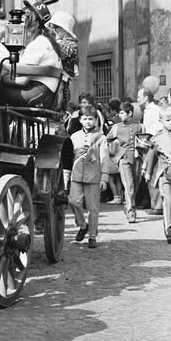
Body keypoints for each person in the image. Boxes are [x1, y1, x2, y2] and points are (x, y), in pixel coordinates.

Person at [0, 3, 63, 108]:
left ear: (34, 24)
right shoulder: (47, 41)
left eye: (25, 19)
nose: (21, 25)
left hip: (36, 94)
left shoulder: (38, 44)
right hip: (44, 95)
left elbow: (22, 80)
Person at [68, 104, 110, 248]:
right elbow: (69, 157)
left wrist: (104, 177)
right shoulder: (74, 137)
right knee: (73, 201)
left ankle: (92, 236)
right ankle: (82, 225)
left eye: (91, 119)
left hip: (94, 176)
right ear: (80, 120)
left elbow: (105, 159)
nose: (88, 122)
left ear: (96, 120)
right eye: (85, 118)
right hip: (77, 174)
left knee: (93, 208)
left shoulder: (101, 138)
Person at [142, 106, 171, 244]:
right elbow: (152, 155)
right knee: (168, 200)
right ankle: (170, 231)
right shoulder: (158, 138)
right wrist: (147, 172)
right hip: (164, 173)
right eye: (169, 120)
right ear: (161, 120)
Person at [106, 101, 144, 224]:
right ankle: (131, 211)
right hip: (123, 158)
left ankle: (128, 204)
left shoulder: (140, 126)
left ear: (130, 113)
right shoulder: (116, 127)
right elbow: (107, 139)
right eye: (119, 113)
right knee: (129, 185)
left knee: (136, 184)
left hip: (137, 157)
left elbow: (145, 140)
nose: (120, 115)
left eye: (122, 113)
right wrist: (115, 148)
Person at [136, 87, 163, 214]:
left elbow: (158, 128)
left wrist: (150, 140)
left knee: (153, 174)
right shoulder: (147, 110)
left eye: (139, 96)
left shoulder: (155, 110)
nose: (137, 99)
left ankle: (157, 206)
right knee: (148, 175)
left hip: (153, 144)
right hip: (147, 144)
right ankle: (153, 203)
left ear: (146, 97)